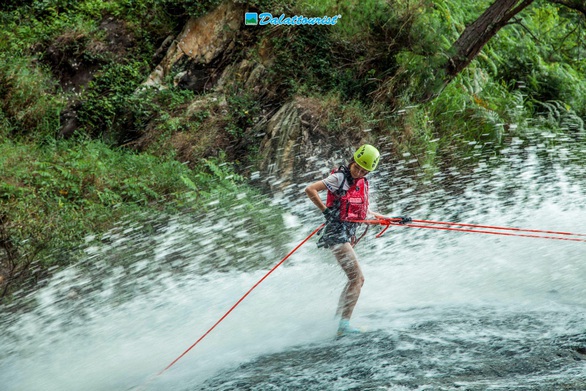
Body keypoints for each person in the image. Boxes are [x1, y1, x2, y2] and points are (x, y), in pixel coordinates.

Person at [305, 144, 391, 337]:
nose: (359, 171)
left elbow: (362, 210)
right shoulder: (339, 178)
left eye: (364, 170)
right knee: (358, 279)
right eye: (357, 166)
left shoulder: (360, 182)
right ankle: (343, 326)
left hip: (344, 233)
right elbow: (310, 189)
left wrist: (384, 218)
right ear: (353, 160)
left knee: (352, 279)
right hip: (336, 234)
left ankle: (338, 320)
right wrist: (326, 212)